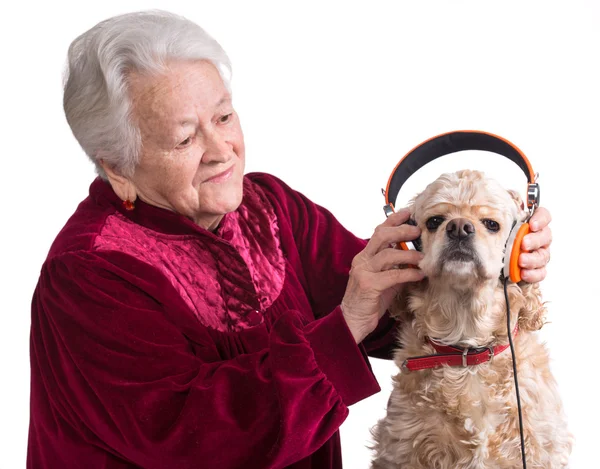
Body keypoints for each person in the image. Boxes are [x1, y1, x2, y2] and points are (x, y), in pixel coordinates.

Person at [27, 10, 553, 469]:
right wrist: (345, 324)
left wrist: (480, 261)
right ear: (117, 166)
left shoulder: (269, 206)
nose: (222, 150)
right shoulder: (88, 275)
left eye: (224, 116)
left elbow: (400, 312)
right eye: (186, 138)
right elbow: (194, 441)